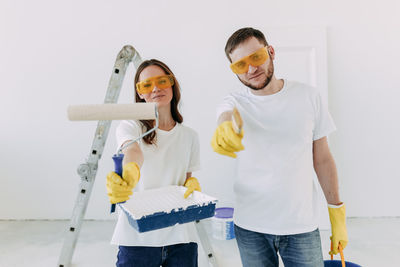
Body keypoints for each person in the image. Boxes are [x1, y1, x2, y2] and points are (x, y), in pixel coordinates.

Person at [211, 27, 348, 267]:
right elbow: (225, 115)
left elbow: (323, 159)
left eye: (256, 57)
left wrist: (337, 213)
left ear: (271, 52)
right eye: (240, 65)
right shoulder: (235, 102)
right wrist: (224, 126)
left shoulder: (308, 96)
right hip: (250, 227)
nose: (251, 69)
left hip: (301, 227)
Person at [106, 59, 201, 267]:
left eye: (162, 81)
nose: (156, 88)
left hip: (181, 237)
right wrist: (131, 171)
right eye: (147, 85)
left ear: (172, 84)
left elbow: (187, 179)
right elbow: (133, 150)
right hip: (137, 238)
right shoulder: (130, 126)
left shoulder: (189, 136)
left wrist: (192, 188)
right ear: (139, 93)